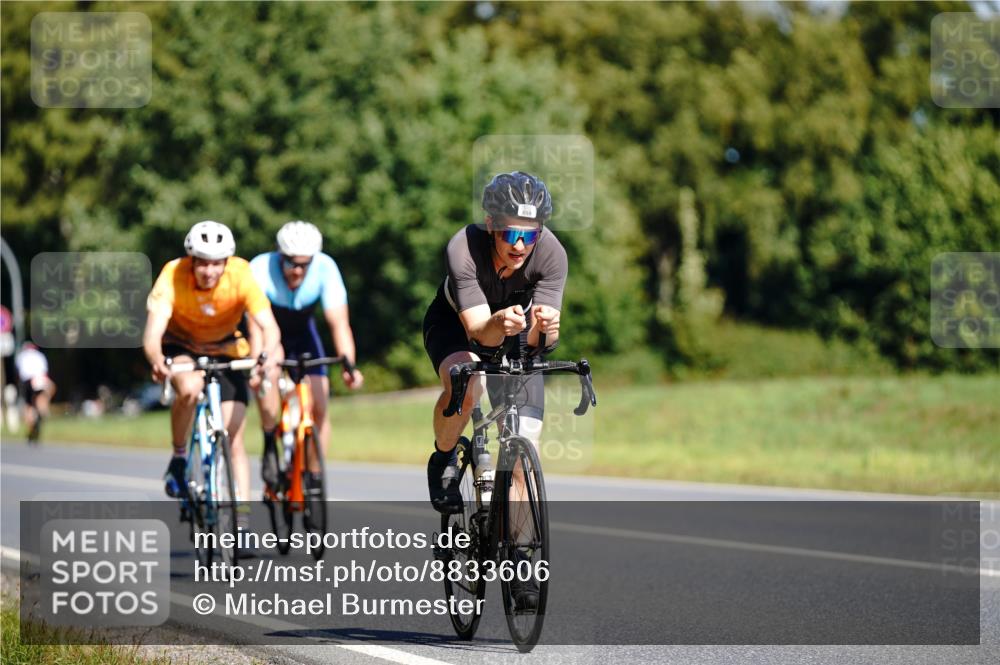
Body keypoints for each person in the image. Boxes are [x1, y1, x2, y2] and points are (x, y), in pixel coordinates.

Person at [421, 171, 567, 609]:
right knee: (469, 382)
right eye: (510, 232)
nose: (520, 245)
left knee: (526, 450)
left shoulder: (553, 255)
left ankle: (521, 560)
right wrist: (500, 323)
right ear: (490, 224)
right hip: (458, 330)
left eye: (530, 233)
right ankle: (445, 455)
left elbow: (543, 342)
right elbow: (478, 333)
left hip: (514, 337)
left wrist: (544, 331)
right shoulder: (462, 248)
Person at [143, 220, 281, 518]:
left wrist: (266, 355)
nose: (210, 272)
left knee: (233, 437)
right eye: (203, 264)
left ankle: (241, 523)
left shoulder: (241, 274)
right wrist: (157, 359)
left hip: (225, 348)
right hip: (182, 346)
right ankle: (179, 458)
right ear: (191, 261)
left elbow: (268, 326)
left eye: (217, 264)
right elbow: (153, 334)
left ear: (226, 262)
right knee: (190, 390)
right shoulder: (173, 274)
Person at [249, 221, 363, 494]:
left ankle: (313, 476)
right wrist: (257, 365)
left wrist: (349, 365)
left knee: (320, 404)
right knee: (269, 377)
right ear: (279, 255)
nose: (297, 270)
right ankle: (269, 444)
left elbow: (339, 324)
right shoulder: (259, 268)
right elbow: (255, 328)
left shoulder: (326, 267)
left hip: (303, 335)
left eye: (304, 264)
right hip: (270, 333)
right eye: (290, 263)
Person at [15, 342, 56, 444]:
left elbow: (19, 372)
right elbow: (45, 372)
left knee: (29, 405)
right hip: (40, 379)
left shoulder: (21, 356)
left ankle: (32, 425)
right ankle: (41, 414)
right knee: (41, 400)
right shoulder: (40, 356)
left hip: (28, 380)